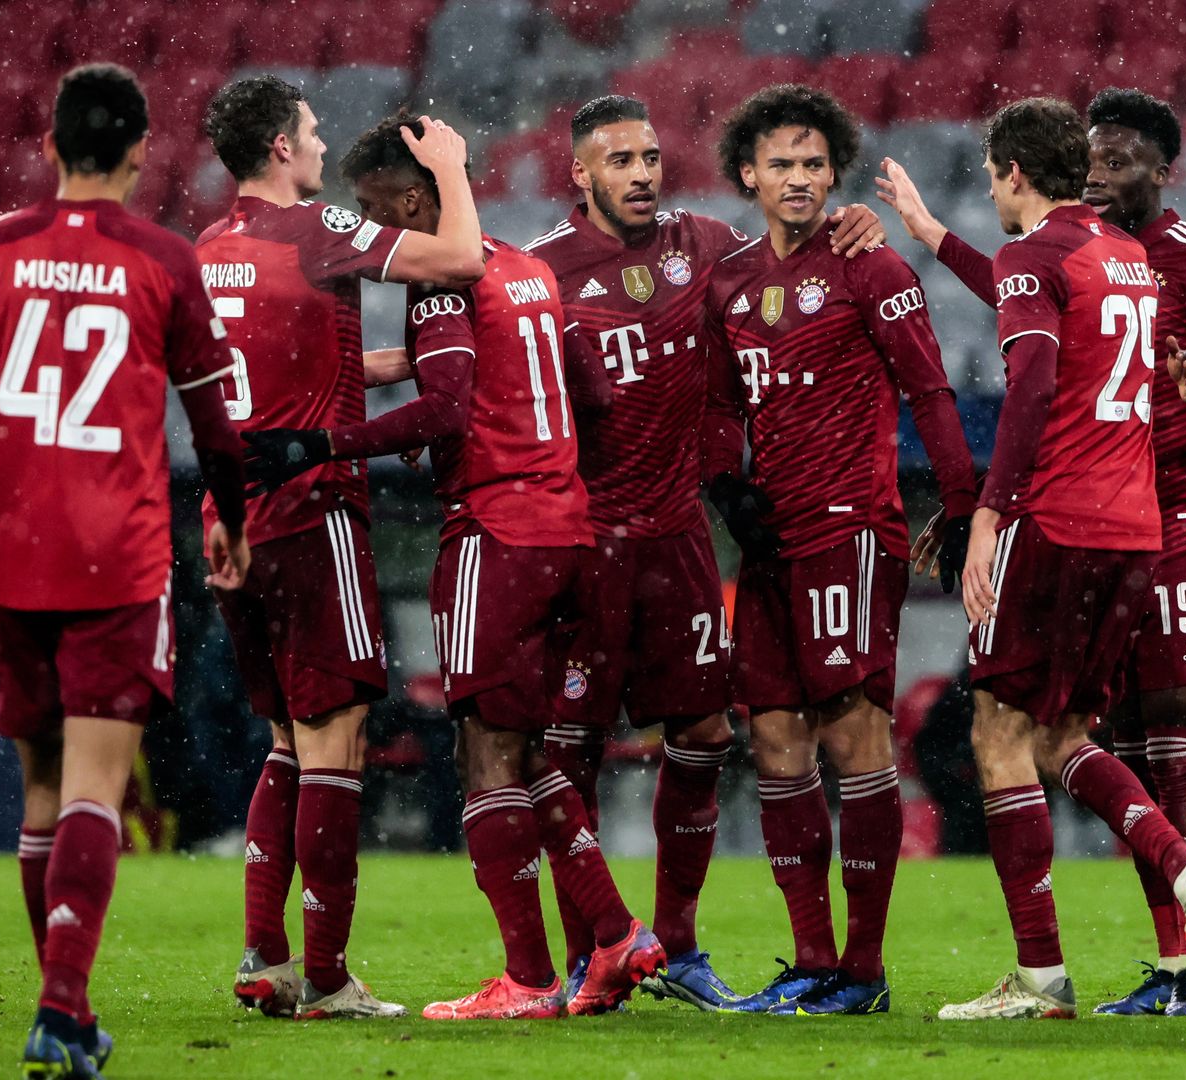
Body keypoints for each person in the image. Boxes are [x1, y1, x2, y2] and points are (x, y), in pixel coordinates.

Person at [249, 111, 663, 1021]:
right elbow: (587, 390)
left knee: (484, 757)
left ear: (409, 197)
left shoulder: (443, 284)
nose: (373, 228)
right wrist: (517, 436)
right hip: (567, 530)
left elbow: (442, 409)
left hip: (495, 535)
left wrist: (324, 444)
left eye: (375, 209)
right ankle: (615, 934)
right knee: (528, 751)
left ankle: (525, 977)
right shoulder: (531, 270)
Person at [0, 63, 250, 1077]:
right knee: (96, 785)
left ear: (49, 148)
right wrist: (231, 514)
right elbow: (216, 425)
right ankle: (62, 1006)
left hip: (12, 556)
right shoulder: (165, 259)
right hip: (118, 556)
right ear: (140, 152)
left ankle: (64, 1007)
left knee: (42, 790)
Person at [877, 87, 1186, 1014]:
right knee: (1064, 736)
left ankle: (1044, 973)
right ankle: (1179, 876)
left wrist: (989, 515)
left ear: (1010, 174)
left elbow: (1035, 382)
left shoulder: (1051, 253)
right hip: (1133, 529)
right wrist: (931, 231)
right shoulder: (1123, 256)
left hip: (1060, 521)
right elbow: (1031, 290)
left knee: (1001, 733)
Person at [517, 94, 883, 1009]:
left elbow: (791, 247)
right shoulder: (541, 272)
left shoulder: (706, 244)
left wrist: (852, 223)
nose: (641, 173)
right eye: (620, 160)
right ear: (581, 174)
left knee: (705, 733)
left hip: (679, 534)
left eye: (649, 156)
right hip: (588, 541)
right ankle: (589, 950)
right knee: (571, 753)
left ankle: (676, 945)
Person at [197, 75, 485, 1019]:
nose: (322, 147)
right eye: (312, 132)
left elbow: (263, 363)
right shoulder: (315, 230)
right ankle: (324, 978)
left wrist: (381, 367)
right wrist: (447, 166)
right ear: (282, 147)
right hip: (313, 513)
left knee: (283, 742)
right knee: (337, 745)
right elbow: (462, 259)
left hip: (230, 524)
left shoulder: (210, 250)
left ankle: (263, 953)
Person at [700, 84, 979, 1015]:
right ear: (748, 173)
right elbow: (715, 407)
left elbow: (932, 393)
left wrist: (966, 499)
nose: (800, 178)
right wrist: (727, 488)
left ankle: (863, 968)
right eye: (781, 162)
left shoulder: (870, 267)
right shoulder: (729, 280)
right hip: (771, 542)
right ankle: (814, 959)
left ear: (835, 174)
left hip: (852, 529)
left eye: (815, 163)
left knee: (854, 729)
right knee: (773, 737)